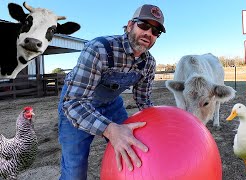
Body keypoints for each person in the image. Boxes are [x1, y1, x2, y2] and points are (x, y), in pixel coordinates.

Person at [57, 4, 166, 180]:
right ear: (130, 25)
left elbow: (144, 101)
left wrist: (160, 125)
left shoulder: (149, 64)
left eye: (156, 31)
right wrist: (110, 129)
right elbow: (73, 102)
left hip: (111, 106)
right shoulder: (99, 48)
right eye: (144, 25)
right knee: (74, 170)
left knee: (136, 148)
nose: (149, 33)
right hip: (77, 105)